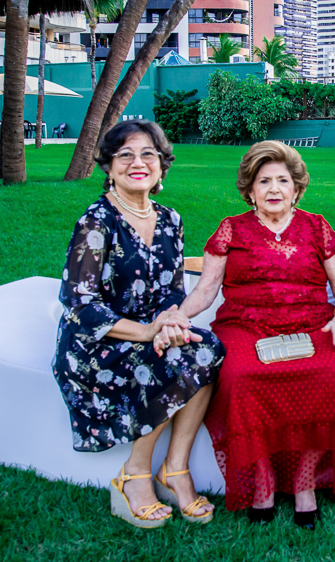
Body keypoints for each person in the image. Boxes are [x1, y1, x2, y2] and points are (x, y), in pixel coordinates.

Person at [179, 141, 335, 528]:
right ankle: (264, 481)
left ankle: (304, 482)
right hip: (245, 325)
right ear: (249, 190)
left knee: (334, 375)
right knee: (238, 376)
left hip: (311, 323)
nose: (273, 189)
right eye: (263, 181)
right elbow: (205, 290)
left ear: (296, 188)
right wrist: (178, 316)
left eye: (282, 181)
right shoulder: (230, 229)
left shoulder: (317, 226)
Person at [52, 120, 225, 529]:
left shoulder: (170, 220)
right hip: (96, 348)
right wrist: (149, 332)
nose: (138, 162)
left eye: (148, 154)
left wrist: (170, 321)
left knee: (210, 348)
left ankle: (176, 467)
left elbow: (170, 289)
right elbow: (81, 306)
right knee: (174, 361)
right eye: (125, 155)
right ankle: (135, 473)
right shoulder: (97, 222)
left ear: (162, 166)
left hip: (149, 332)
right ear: (109, 167)